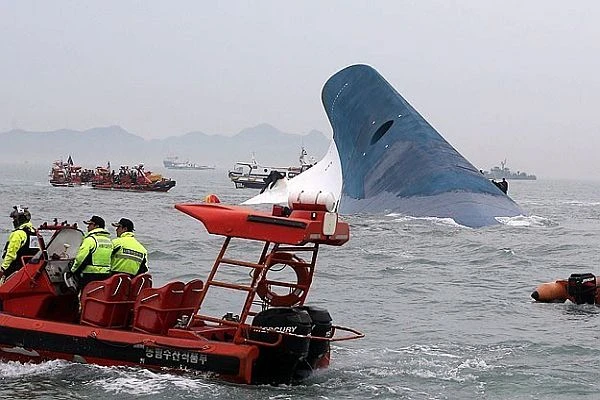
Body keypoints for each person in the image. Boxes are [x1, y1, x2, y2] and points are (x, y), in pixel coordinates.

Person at [69, 215, 113, 290]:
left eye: (90, 224)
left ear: (96, 226)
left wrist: (72, 271)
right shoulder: (109, 241)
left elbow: (80, 258)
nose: (87, 227)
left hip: (90, 275)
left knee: (83, 296)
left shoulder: (90, 239)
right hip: (106, 275)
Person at [1, 206, 38, 280]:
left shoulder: (18, 234)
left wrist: (3, 269)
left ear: (20, 219)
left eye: (15, 218)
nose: (13, 221)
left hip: (15, 270)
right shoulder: (34, 232)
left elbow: (11, 254)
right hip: (30, 270)